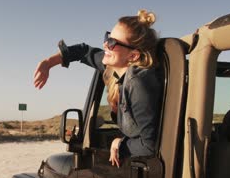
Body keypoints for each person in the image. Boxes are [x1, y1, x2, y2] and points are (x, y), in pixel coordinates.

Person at [33, 10, 163, 167]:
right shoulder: (118, 66)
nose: (105, 44)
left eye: (112, 43)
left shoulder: (138, 84)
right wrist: (48, 63)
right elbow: (84, 51)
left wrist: (120, 144)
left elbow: (150, 144)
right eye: (108, 38)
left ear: (133, 56)